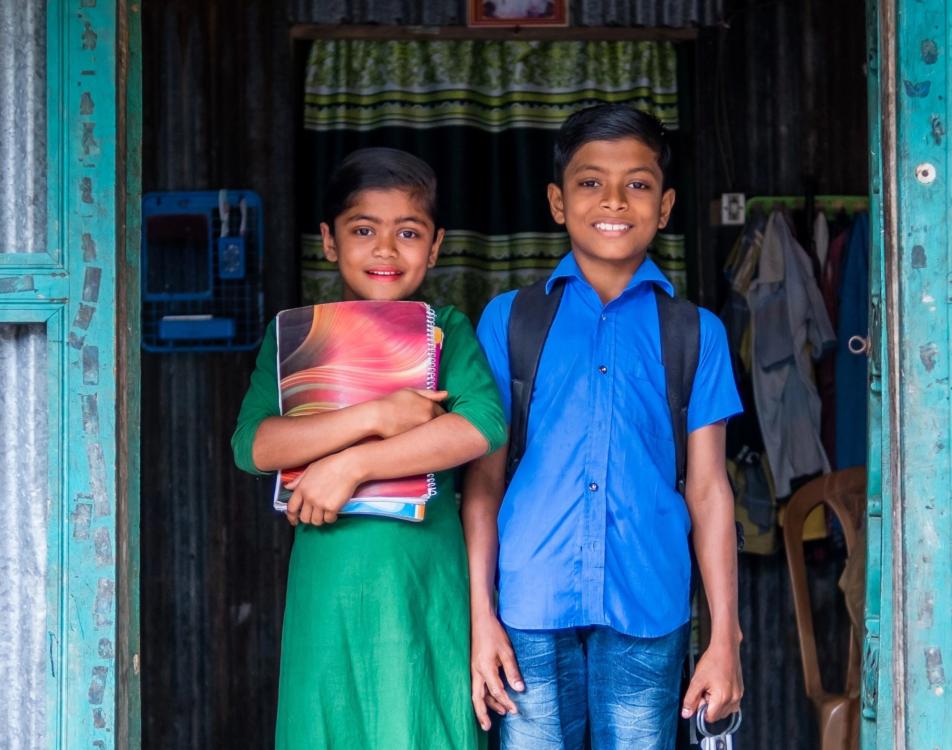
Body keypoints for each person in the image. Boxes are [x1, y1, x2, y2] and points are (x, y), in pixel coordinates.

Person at [463, 104, 745, 749]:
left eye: (638, 184)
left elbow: (708, 491)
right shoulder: (510, 321)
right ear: (558, 202)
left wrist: (724, 637)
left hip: (649, 607)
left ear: (666, 205)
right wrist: (480, 613)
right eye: (590, 182)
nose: (614, 199)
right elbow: (482, 485)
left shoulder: (696, 333)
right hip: (527, 610)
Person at [232, 147, 506, 750]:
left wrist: (350, 467)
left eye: (409, 232)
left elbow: (481, 427)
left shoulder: (446, 331)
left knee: (421, 724)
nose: (386, 249)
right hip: (327, 585)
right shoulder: (295, 341)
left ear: (434, 247)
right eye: (364, 230)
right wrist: (377, 415)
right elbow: (253, 446)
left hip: (425, 582)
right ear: (329, 241)